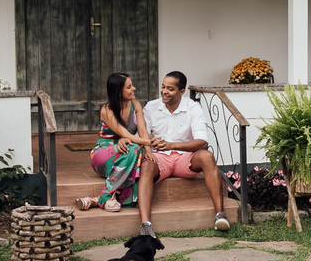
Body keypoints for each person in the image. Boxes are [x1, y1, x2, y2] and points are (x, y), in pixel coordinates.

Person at [136, 70, 230, 236]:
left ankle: (220, 215)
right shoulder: (151, 107)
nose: (164, 91)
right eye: (163, 87)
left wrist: (171, 145)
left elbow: (202, 141)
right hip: (160, 158)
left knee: (207, 156)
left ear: (181, 92)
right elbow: (142, 134)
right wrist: (150, 144)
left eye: (170, 89)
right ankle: (145, 224)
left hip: (185, 159)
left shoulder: (193, 108)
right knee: (146, 165)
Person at [76, 72, 152, 213]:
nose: (134, 88)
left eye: (132, 85)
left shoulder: (135, 105)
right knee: (135, 148)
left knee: (137, 150)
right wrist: (150, 143)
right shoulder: (107, 110)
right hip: (103, 154)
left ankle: (97, 200)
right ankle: (106, 196)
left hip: (126, 150)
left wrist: (148, 151)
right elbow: (125, 134)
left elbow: (142, 130)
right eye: (129, 87)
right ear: (118, 92)